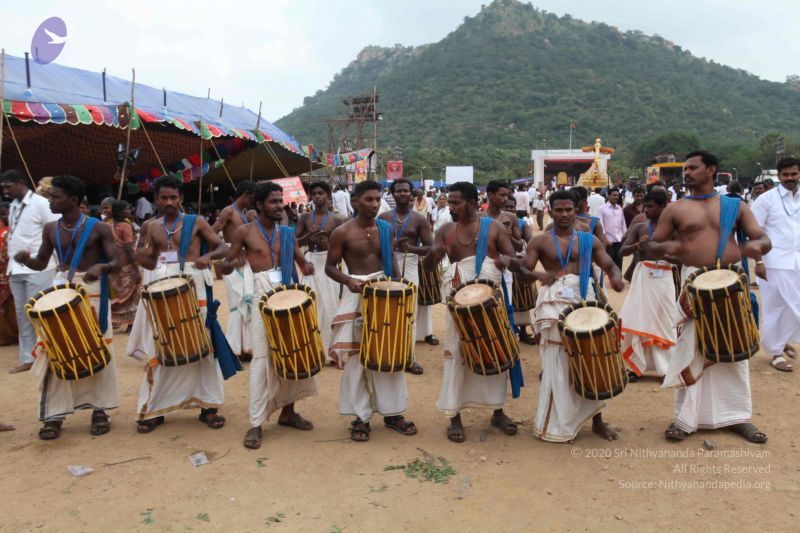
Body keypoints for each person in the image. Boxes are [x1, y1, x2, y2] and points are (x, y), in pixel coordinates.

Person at [648, 150, 771, 443]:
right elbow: (653, 245)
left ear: (711, 170)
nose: (686, 172)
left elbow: (762, 238)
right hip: (693, 283)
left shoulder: (735, 206)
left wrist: (757, 247)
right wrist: (671, 249)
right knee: (691, 349)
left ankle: (737, 417)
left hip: (729, 283)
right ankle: (685, 418)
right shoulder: (676, 210)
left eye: (693, 167)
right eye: (685, 169)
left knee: (733, 350)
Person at [14, 175, 120, 439]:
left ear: (72, 200)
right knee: (54, 349)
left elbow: (116, 261)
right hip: (61, 290)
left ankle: (100, 410)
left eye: (55, 196)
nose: (50, 200)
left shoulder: (99, 228)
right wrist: (26, 259)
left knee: (97, 347)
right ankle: (54, 414)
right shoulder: (50, 228)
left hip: (92, 293)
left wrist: (101, 266)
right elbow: (41, 262)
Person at [128, 176, 229, 433]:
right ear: (156, 200)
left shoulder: (196, 222)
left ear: (181, 199)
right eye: (164, 198)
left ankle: (208, 407)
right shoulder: (151, 227)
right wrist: (135, 255)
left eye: (174, 197)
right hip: (162, 288)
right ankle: (156, 408)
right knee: (161, 346)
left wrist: (207, 256)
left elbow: (222, 248)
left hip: (193, 287)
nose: (169, 202)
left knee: (202, 344)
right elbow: (151, 260)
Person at [423, 181, 522, 443]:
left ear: (472, 203)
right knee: (456, 354)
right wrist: (433, 254)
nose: (451, 207)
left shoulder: (494, 228)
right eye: (450, 202)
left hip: (490, 303)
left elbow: (513, 259)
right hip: (458, 305)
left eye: (456, 202)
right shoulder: (445, 230)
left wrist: (507, 261)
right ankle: (454, 415)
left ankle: (498, 411)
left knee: (495, 349)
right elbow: (428, 267)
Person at [221, 182, 317, 449]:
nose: (280, 206)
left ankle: (288, 413)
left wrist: (307, 265)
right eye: (274, 201)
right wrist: (232, 263)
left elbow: (301, 261)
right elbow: (225, 266)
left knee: (291, 354)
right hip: (261, 299)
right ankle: (256, 423)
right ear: (260, 204)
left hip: (287, 293)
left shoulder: (287, 232)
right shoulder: (244, 232)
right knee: (262, 359)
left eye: (280, 201)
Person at [523, 190, 623, 442]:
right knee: (558, 360)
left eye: (569, 209)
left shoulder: (589, 239)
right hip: (552, 304)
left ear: (576, 209)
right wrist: (539, 275)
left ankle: (597, 420)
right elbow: (524, 271)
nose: (564, 214)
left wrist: (616, 277)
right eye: (559, 210)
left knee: (590, 357)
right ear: (550, 211)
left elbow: (609, 264)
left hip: (584, 300)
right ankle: (558, 423)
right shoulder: (540, 241)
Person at [326, 181, 417, 442]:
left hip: (386, 294)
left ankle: (393, 414)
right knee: (358, 358)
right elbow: (329, 267)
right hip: (357, 295)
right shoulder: (341, 232)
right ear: (355, 201)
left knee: (389, 351)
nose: (375, 204)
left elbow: (391, 261)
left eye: (378, 199)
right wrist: (348, 281)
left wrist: (399, 287)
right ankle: (360, 417)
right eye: (369, 199)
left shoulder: (385, 229)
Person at [2, 170, 59, 374]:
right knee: (22, 315)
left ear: (20, 183)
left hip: (39, 266)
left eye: (8, 186)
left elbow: (55, 232)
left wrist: (59, 263)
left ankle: (50, 356)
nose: (5, 191)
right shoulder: (13, 206)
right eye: (3, 187)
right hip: (15, 268)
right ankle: (28, 358)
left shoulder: (42, 204)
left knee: (40, 312)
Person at [379, 179, 436, 374]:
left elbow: (430, 247)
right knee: (386, 310)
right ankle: (387, 353)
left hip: (410, 264)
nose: (402, 194)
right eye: (399, 191)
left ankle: (409, 357)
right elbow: (375, 244)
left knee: (409, 311)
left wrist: (411, 248)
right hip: (387, 263)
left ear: (411, 194)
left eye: (405, 191)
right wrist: (391, 245)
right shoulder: (384, 217)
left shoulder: (419, 219)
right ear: (392, 194)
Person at [619, 190, 676, 379]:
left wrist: (661, 252)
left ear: (663, 207)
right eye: (645, 206)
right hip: (643, 277)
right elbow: (622, 251)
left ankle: (665, 369)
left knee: (665, 321)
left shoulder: (674, 229)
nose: (646, 210)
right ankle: (636, 367)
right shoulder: (640, 227)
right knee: (639, 318)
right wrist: (637, 246)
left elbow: (683, 258)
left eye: (650, 206)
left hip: (665, 277)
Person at [751, 157, 800, 372]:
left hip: (798, 261)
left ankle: (781, 339)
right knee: (775, 308)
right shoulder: (766, 200)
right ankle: (776, 353)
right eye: (785, 174)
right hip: (774, 262)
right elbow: (754, 233)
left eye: (794, 174)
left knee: (793, 307)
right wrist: (759, 261)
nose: (790, 178)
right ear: (779, 176)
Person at [295, 181, 344, 358]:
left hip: (329, 264)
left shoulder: (337, 219)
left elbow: (341, 248)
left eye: (321, 193)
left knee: (331, 305)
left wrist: (326, 243)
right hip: (310, 263)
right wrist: (309, 235)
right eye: (314, 193)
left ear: (328, 196)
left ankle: (332, 350)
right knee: (311, 303)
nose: (317, 196)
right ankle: (314, 350)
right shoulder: (305, 218)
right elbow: (294, 242)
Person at [212, 181, 256, 362]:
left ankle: (246, 348)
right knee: (237, 304)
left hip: (245, 261)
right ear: (245, 194)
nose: (254, 200)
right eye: (253, 197)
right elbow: (212, 232)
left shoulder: (244, 213)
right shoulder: (228, 211)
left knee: (248, 303)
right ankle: (232, 349)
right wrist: (229, 250)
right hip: (232, 260)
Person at [108, 200, 141, 330]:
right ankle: (131, 324)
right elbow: (129, 249)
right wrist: (136, 269)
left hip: (114, 268)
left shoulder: (108, 225)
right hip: (127, 266)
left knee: (120, 296)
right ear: (119, 212)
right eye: (127, 209)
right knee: (133, 296)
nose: (129, 211)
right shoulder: (125, 226)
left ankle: (114, 319)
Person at [0, 202, 18, 346]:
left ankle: (13, 335)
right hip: (4, 272)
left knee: (13, 303)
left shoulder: (13, 231)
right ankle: (6, 336)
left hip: (13, 270)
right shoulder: (5, 232)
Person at [599, 188, 626, 269]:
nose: (616, 197)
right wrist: (605, 239)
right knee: (609, 264)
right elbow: (600, 224)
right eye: (614, 195)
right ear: (608, 195)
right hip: (608, 241)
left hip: (619, 240)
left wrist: (624, 238)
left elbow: (623, 224)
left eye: (617, 195)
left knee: (619, 262)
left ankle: (619, 277)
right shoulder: (602, 208)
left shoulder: (620, 208)